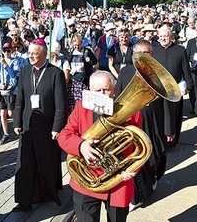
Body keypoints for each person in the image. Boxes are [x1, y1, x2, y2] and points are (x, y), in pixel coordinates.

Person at [58, 70, 139, 221]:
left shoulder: (132, 112)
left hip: (118, 181)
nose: (102, 94)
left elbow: (138, 147)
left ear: (114, 90)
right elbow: (64, 135)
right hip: (87, 179)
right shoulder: (81, 107)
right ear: (89, 91)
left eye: (106, 90)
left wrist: (133, 168)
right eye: (97, 90)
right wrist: (81, 145)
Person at [12, 38, 69, 212]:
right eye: (29, 53)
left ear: (44, 54)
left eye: (34, 54)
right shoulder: (24, 71)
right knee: (25, 163)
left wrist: (57, 128)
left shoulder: (55, 73)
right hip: (29, 125)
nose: (31, 57)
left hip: (47, 127)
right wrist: (17, 122)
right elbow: (19, 100)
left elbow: (61, 105)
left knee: (47, 160)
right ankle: (24, 201)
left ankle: (48, 194)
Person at [115, 40, 166, 211]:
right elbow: (118, 98)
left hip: (153, 122)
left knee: (154, 156)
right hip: (131, 123)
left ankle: (152, 181)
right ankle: (135, 196)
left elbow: (167, 104)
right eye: (140, 53)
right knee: (133, 158)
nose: (144, 56)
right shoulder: (125, 71)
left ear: (152, 54)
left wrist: (169, 128)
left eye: (147, 53)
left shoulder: (159, 73)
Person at [152, 26, 193, 148]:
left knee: (173, 114)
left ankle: (172, 140)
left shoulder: (180, 50)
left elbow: (186, 70)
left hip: (174, 89)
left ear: (171, 37)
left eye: (165, 36)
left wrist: (189, 86)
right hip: (158, 89)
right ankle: (160, 139)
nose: (163, 38)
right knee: (160, 115)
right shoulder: (154, 50)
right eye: (161, 36)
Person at [0, 42, 21, 145]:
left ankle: (19, 124)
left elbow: (14, 75)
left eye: (8, 50)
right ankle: (6, 134)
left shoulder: (15, 61)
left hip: (12, 90)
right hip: (2, 90)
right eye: (4, 51)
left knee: (10, 113)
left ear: (12, 51)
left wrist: (6, 65)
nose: (6, 53)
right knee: (2, 113)